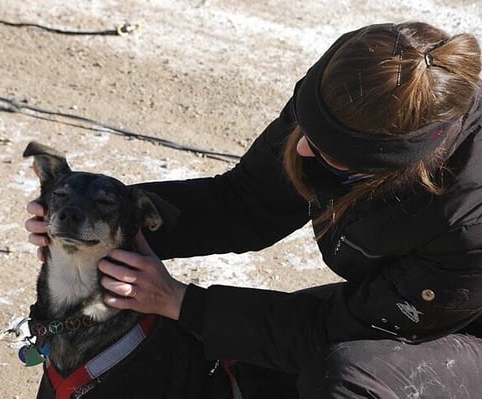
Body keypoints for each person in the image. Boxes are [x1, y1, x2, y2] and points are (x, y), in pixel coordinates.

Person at [26, 22, 482, 398]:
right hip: (397, 299)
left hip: (463, 327)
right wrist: (105, 220)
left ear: (391, 165)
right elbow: (247, 202)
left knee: (344, 380)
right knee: (240, 363)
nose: (302, 147)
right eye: (308, 126)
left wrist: (183, 302)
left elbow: (341, 329)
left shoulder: (468, 219)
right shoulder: (351, 83)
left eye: (330, 152)